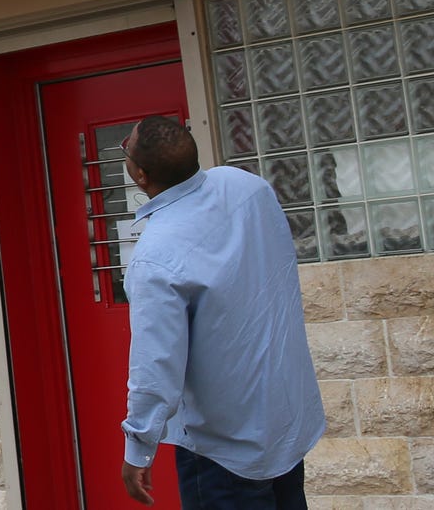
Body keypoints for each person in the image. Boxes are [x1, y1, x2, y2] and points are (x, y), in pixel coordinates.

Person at [119, 115, 323, 510]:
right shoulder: (246, 186)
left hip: (222, 452)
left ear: (140, 175)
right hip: (283, 423)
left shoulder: (155, 256)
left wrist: (138, 448)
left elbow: (155, 368)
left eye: (126, 147)